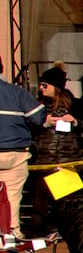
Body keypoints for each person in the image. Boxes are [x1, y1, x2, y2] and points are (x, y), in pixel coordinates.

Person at [0, 58, 46, 236]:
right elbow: (38, 117)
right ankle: (10, 233)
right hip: (15, 153)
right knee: (11, 197)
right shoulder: (17, 93)